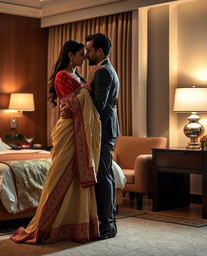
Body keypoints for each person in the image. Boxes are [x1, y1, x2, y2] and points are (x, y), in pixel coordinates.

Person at [10, 40, 102, 244]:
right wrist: (89, 84)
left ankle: (73, 224)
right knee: (59, 175)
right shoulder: (62, 75)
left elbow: (77, 101)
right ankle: (46, 223)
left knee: (76, 179)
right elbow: (70, 105)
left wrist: (85, 87)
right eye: (80, 54)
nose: (84, 58)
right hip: (67, 130)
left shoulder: (77, 75)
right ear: (70, 55)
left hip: (75, 130)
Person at [85, 33, 120, 239]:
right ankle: (109, 221)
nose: (87, 53)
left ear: (99, 51)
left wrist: (84, 91)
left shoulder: (103, 72)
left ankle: (108, 226)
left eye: (89, 50)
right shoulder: (108, 69)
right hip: (108, 129)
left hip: (104, 131)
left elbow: (98, 105)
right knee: (105, 175)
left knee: (104, 177)